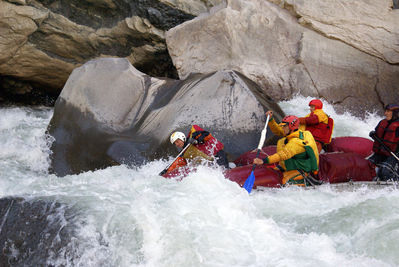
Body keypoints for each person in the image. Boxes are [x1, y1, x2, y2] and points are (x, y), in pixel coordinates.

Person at [253, 111, 320, 186]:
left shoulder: (296, 143)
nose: (282, 128)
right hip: (289, 165)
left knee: (285, 182)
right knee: (272, 172)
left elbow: (283, 155)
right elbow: (278, 130)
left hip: (300, 169)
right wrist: (271, 120)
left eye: (284, 126)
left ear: (291, 127)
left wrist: (263, 161)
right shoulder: (294, 132)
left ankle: (306, 181)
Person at [368, 103, 399, 181]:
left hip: (393, 155)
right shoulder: (382, 122)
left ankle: (395, 181)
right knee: (367, 166)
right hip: (381, 153)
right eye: (386, 111)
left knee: (384, 173)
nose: (385, 113)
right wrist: (373, 134)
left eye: (388, 111)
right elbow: (377, 133)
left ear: (395, 113)